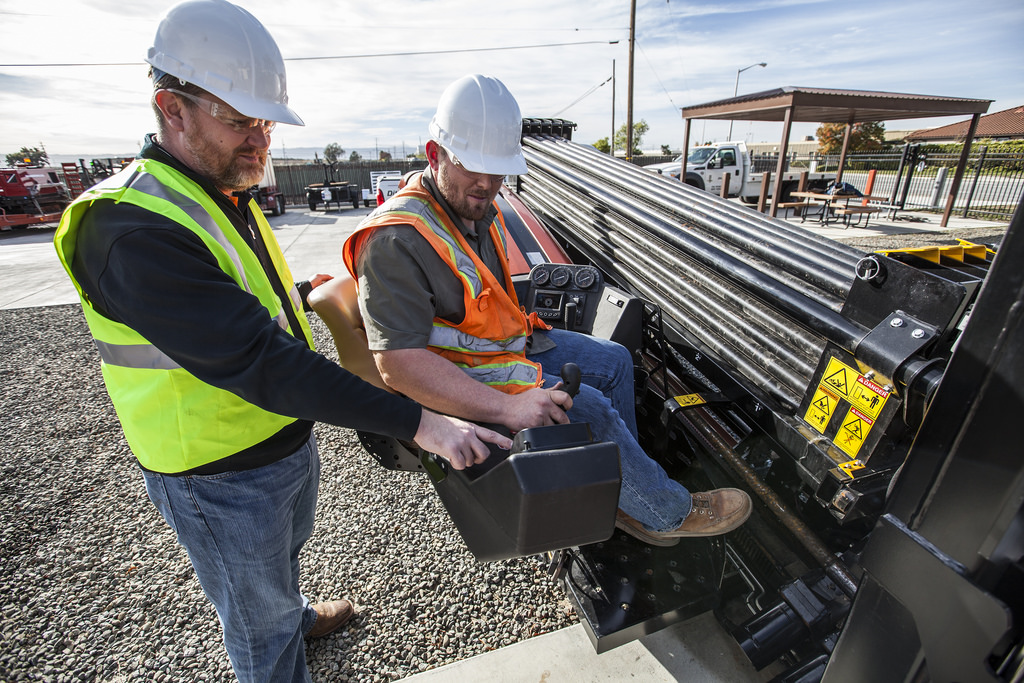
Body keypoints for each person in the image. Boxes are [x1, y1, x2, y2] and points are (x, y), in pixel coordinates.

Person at [53, 5, 510, 682]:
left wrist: (304, 291)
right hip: (216, 473)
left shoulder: (214, 191)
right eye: (240, 121)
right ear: (170, 108)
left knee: (279, 564)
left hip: (278, 444)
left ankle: (291, 611)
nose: (259, 139)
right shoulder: (128, 229)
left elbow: (238, 293)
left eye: (265, 121)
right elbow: (258, 360)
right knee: (256, 621)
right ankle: (278, 639)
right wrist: (420, 422)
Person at [342, 74, 754, 548]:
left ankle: (624, 497)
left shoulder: (471, 207)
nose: (486, 183)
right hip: (454, 374)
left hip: (503, 351)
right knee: (590, 409)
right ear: (435, 155)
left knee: (616, 360)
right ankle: (665, 513)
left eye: (496, 171)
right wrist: (508, 407)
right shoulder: (396, 240)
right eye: (472, 167)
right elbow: (398, 365)